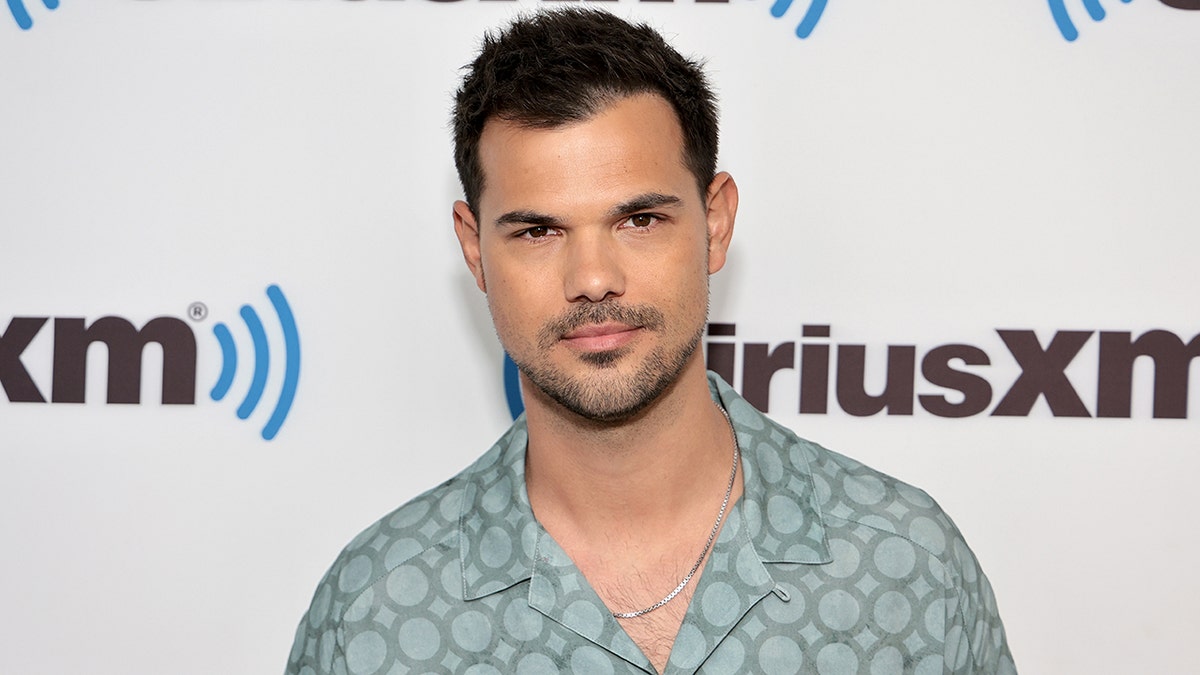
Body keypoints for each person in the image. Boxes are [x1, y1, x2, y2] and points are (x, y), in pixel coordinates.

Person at [285, 8, 1015, 674]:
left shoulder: (905, 565)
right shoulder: (375, 610)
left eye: (639, 219)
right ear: (475, 250)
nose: (594, 278)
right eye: (539, 231)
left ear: (716, 222)